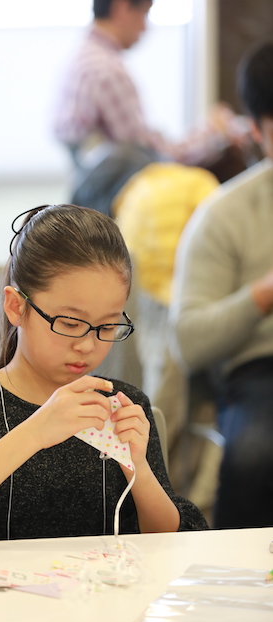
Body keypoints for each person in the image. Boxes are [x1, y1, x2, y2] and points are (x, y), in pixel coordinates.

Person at [0, 204, 207, 543]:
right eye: (69, 323)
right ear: (16, 306)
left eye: (107, 326)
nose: (87, 345)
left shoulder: (122, 406)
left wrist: (138, 468)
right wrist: (35, 432)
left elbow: (177, 543)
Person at [169, 42, 273, 529]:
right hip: (260, 371)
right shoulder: (226, 213)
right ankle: (241, 568)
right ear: (256, 131)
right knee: (255, 453)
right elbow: (188, 341)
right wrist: (262, 295)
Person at [53, 0, 250, 215]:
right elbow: (157, 160)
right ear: (121, 7)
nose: (145, 28)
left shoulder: (83, 58)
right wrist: (215, 133)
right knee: (229, 164)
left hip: (96, 200)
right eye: (144, 14)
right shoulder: (106, 71)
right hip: (122, 204)